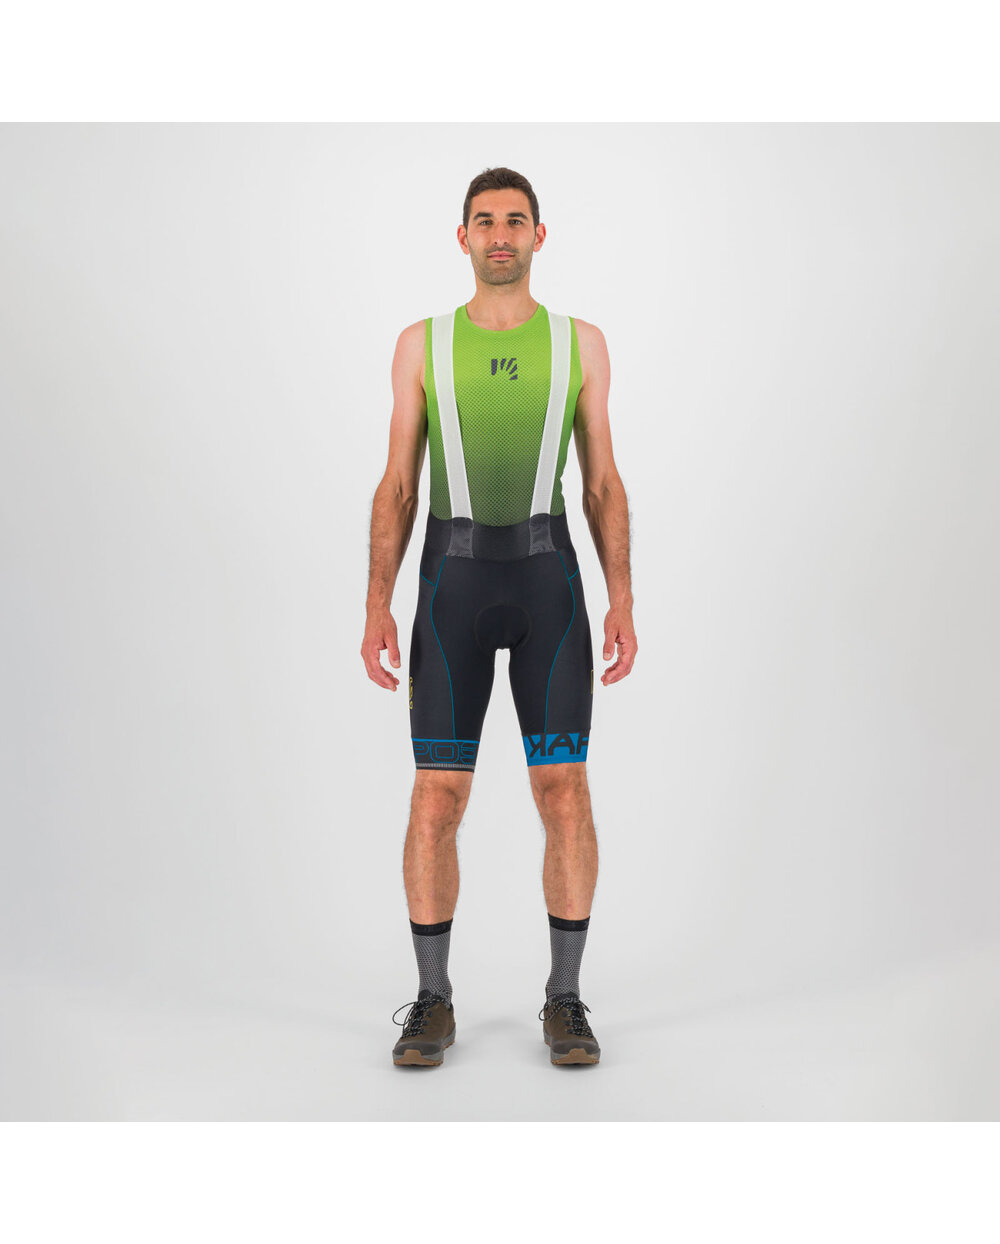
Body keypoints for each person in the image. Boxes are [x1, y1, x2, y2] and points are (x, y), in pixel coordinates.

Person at [362, 167, 636, 1067]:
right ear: (464, 238)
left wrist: (623, 597)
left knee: (564, 789)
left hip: (550, 581)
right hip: (452, 586)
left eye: (516, 220)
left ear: (539, 235)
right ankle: (431, 1001)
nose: (501, 235)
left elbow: (601, 482)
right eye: (484, 221)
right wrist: (376, 604)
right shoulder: (422, 345)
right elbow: (399, 485)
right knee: (437, 795)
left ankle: (566, 999)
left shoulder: (581, 343)